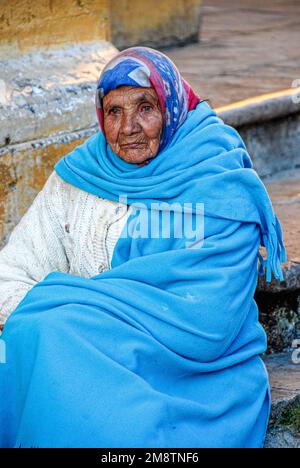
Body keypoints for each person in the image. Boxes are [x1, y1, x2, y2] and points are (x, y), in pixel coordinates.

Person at [0, 47, 286, 448]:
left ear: (170, 107)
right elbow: (10, 271)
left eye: (145, 108)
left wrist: (72, 311)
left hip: (199, 376)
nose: (128, 127)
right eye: (113, 112)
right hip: (86, 349)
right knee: (30, 333)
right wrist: (74, 317)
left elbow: (208, 320)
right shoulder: (83, 174)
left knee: (51, 333)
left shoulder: (216, 177)